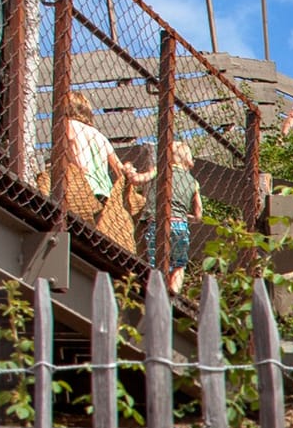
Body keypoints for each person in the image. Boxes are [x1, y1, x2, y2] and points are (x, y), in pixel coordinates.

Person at [65, 91, 150, 211]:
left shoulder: (69, 125)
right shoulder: (100, 136)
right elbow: (119, 169)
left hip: (83, 187)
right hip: (104, 193)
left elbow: (75, 150)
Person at [142, 140, 202, 293]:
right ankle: (174, 293)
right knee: (179, 265)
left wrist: (130, 174)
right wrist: (185, 216)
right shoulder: (193, 182)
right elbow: (198, 214)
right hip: (180, 225)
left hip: (157, 223)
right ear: (188, 160)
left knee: (156, 263)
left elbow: (140, 179)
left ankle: (156, 291)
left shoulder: (161, 170)